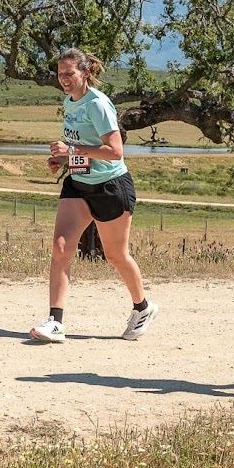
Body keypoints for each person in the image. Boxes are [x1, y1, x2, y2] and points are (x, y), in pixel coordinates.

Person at [30, 47, 159, 343]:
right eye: (60, 73)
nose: (64, 79)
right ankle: (55, 322)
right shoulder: (69, 102)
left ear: (85, 73)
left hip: (111, 187)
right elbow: (82, 148)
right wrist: (63, 159)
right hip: (78, 184)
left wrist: (71, 151)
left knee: (116, 255)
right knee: (61, 248)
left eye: (70, 73)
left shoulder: (98, 104)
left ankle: (143, 307)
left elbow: (115, 152)